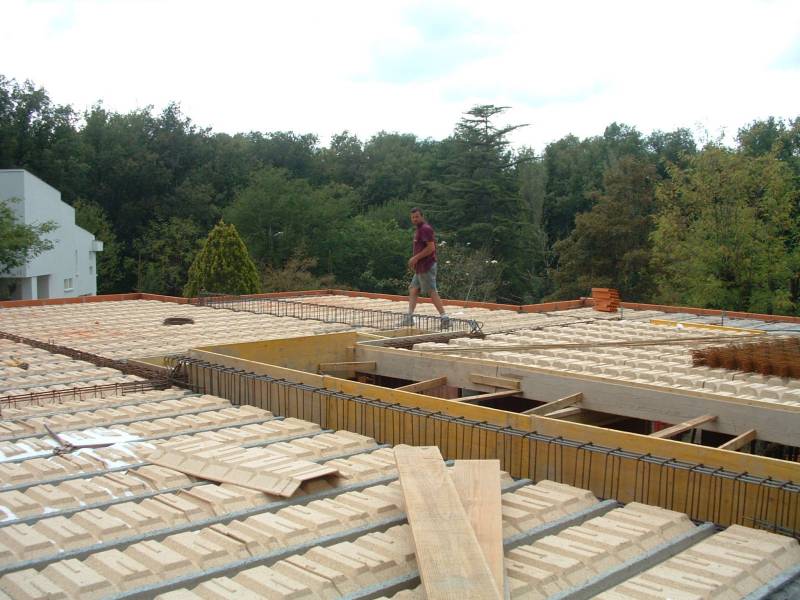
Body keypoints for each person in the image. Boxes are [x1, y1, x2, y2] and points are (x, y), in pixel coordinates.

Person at [405, 207, 449, 329]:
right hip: (421, 266)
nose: (415, 219)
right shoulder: (419, 229)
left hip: (426, 266)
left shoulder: (425, 229)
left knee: (431, 291)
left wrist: (415, 258)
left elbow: (431, 248)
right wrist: (416, 260)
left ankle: (444, 317)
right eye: (413, 217)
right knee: (413, 289)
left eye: (417, 216)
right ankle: (409, 318)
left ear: (422, 216)